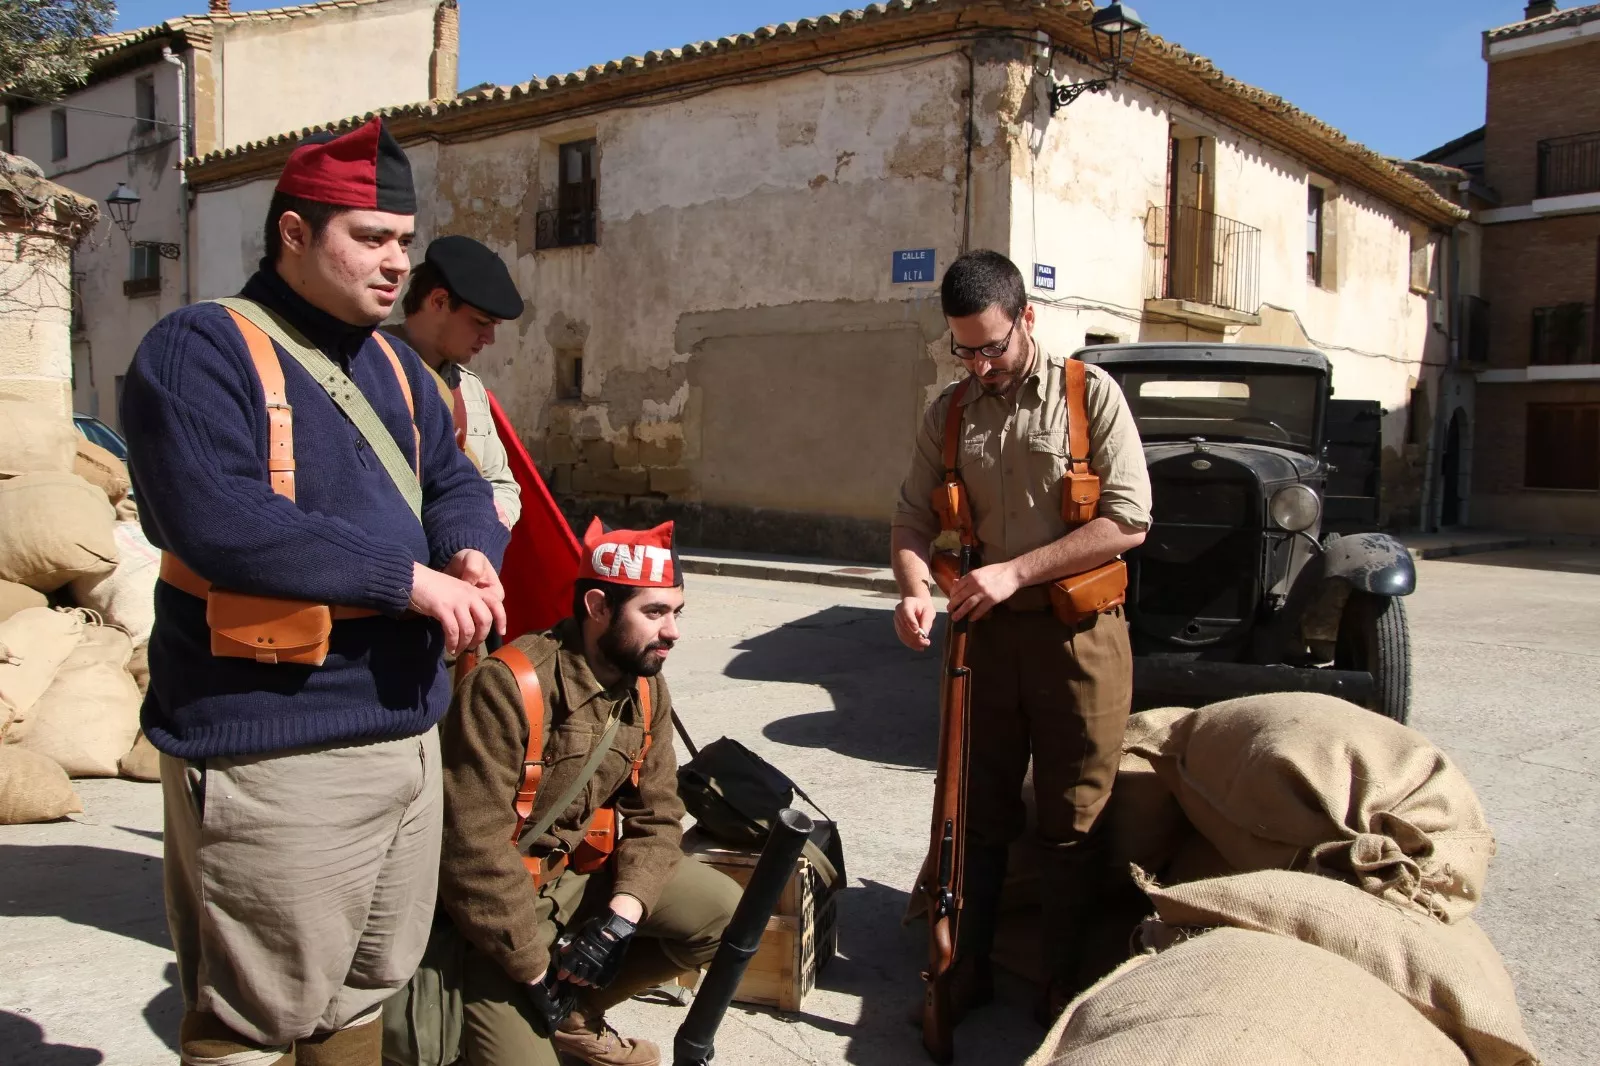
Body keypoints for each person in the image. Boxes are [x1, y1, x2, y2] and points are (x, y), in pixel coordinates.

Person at [121, 116, 510, 1066]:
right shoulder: (199, 348)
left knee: (362, 996)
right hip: (277, 748)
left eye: (404, 242)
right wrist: (404, 580)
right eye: (370, 238)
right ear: (294, 234)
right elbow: (214, 517)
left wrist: (468, 549)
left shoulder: (397, 366)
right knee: (254, 1019)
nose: (396, 265)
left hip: (405, 735)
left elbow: (454, 479)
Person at [890, 250, 1152, 1024]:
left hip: (1080, 639)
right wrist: (913, 589)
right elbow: (911, 514)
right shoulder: (948, 412)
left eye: (991, 347)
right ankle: (963, 972)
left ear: (1025, 320)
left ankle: (1064, 988)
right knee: (976, 813)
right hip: (986, 643)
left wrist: (1016, 571)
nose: (978, 363)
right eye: (962, 349)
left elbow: (1130, 520)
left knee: (1074, 821)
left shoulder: (1090, 396)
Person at [437, 518, 740, 1066]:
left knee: (724, 912)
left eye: (677, 612)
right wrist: (533, 969)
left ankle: (576, 1015)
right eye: (654, 613)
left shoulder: (647, 684)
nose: (673, 632)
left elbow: (659, 815)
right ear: (598, 606)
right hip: (499, 909)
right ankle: (538, 1007)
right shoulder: (508, 686)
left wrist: (620, 920)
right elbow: (471, 853)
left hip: (577, 881)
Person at [388, 235, 523, 530]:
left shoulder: (470, 389)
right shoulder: (365, 364)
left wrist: (494, 519)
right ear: (439, 301)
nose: (490, 339)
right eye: (482, 322)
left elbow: (500, 481)